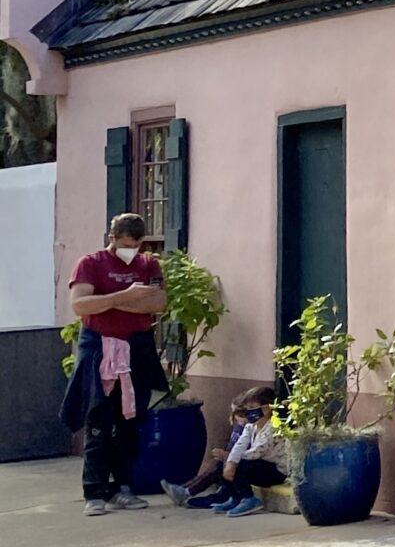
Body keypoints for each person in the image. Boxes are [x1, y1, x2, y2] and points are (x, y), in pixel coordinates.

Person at [61, 212, 168, 516]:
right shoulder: (90, 264)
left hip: (137, 346)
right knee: (98, 420)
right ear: (112, 239)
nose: (130, 250)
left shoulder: (149, 265)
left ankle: (123, 486)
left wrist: (106, 299)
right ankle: (94, 490)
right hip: (99, 346)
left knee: (130, 422)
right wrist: (127, 295)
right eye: (124, 244)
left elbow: (157, 304)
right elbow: (81, 305)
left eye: (135, 245)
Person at [167, 387, 284, 515]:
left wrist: (232, 461)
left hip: (275, 471)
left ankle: (249, 499)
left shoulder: (274, 427)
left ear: (267, 409)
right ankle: (235, 498)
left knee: (238, 465)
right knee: (223, 465)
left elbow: (257, 452)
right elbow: (240, 445)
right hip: (257, 464)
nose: (248, 411)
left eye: (251, 407)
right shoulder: (251, 426)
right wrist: (230, 460)